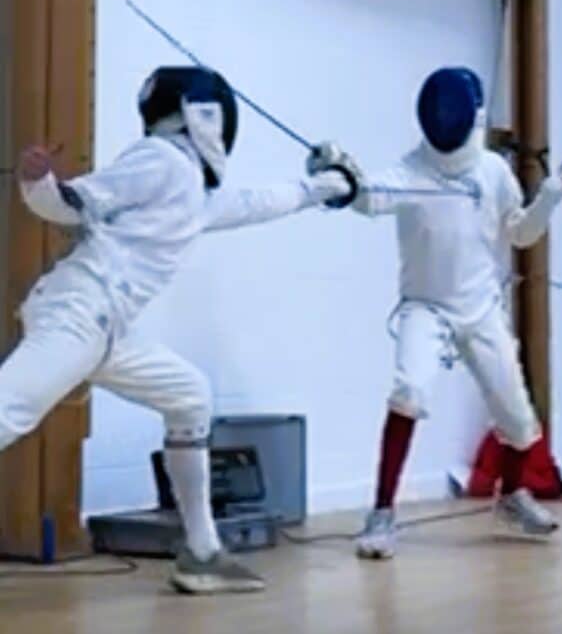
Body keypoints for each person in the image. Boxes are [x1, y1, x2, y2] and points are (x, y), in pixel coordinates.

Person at [2, 66, 353, 593]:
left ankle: (202, 554)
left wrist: (328, 185)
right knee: (8, 410)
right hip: (77, 311)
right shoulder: (163, 159)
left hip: (106, 329)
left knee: (190, 396)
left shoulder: (191, 190)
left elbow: (257, 204)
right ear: (204, 116)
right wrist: (40, 183)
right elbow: (76, 204)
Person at [311, 67, 562, 559]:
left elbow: (521, 233)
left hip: (481, 309)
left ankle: (513, 496)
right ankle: (382, 513)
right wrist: (339, 178)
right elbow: (367, 196)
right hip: (426, 308)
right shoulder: (410, 171)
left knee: (519, 417)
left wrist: (550, 197)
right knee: (409, 391)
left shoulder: (493, 171)